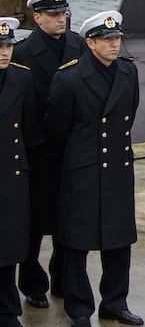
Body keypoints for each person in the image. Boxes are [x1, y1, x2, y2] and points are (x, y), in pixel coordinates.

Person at [44, 11, 143, 326]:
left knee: (118, 240)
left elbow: (129, 114)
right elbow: (56, 129)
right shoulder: (69, 77)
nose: (115, 45)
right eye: (107, 40)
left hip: (116, 167)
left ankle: (115, 302)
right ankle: (80, 309)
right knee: (77, 243)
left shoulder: (128, 73)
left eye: (117, 39)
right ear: (90, 42)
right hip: (83, 170)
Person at [12, 0, 81, 310]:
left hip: (71, 148)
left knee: (68, 221)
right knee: (35, 223)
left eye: (63, 13)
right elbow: (20, 104)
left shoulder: (79, 45)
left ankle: (62, 279)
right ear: (37, 17)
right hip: (40, 150)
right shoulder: (23, 53)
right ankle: (32, 283)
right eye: (53, 14)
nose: (60, 19)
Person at [0, 17, 40, 327]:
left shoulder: (21, 79)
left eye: (9, 45)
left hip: (12, 173)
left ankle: (7, 308)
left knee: (10, 243)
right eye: (0, 46)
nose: (5, 52)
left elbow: (28, 128)